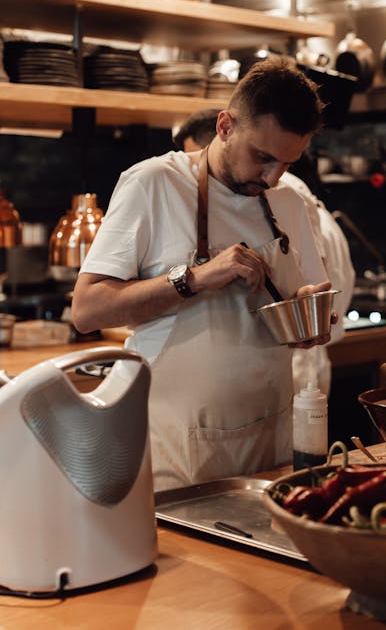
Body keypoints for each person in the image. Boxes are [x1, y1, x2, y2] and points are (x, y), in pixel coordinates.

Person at [72, 57, 334, 491]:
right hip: (179, 444)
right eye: (263, 158)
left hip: (272, 439)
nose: (272, 177)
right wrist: (193, 278)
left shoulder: (290, 202)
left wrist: (310, 314)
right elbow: (86, 309)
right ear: (225, 126)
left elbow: (299, 294)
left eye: (288, 163)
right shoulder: (153, 183)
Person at [173, 108, 356, 396]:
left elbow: (313, 282)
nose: (194, 172)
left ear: (222, 138)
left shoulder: (285, 194)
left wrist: (306, 311)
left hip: (296, 370)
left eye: (195, 158)